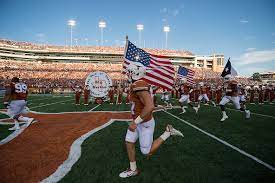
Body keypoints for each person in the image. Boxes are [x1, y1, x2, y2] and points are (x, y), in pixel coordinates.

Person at [119, 62, 184, 178]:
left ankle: (168, 132)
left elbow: (149, 106)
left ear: (135, 72)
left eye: (129, 72)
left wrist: (135, 122)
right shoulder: (136, 85)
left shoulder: (138, 84)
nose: (127, 74)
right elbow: (140, 102)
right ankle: (133, 169)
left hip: (144, 123)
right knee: (129, 142)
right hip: (139, 121)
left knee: (146, 152)